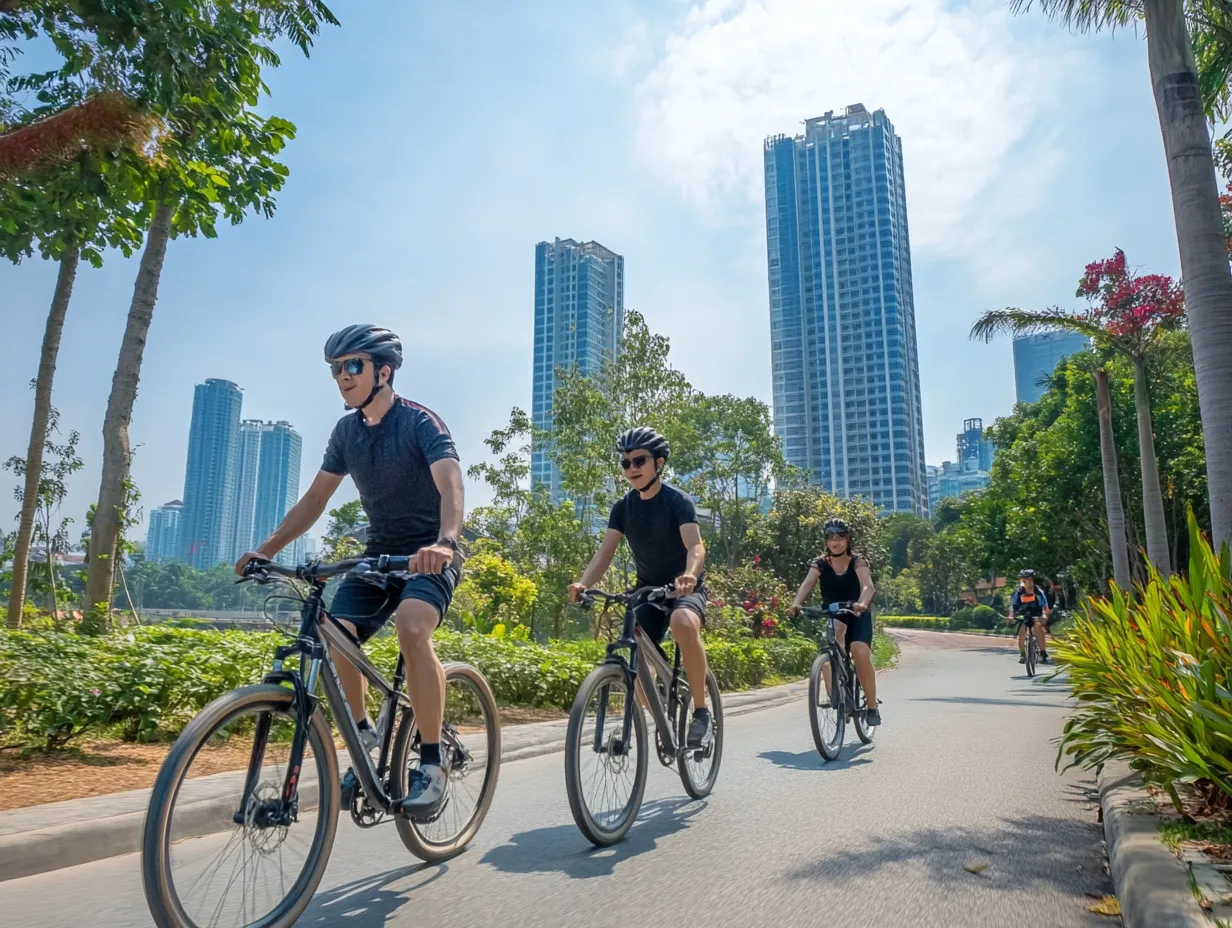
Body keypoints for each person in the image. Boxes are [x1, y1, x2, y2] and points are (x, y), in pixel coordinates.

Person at [235, 324, 462, 819]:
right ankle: (363, 733)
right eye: (336, 369)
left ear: (384, 370)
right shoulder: (346, 433)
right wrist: (267, 549)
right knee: (333, 634)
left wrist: (444, 542)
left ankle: (431, 763)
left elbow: (450, 484)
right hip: (377, 555)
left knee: (412, 626)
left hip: (427, 555)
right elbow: (316, 498)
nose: (342, 377)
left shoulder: (421, 422)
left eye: (352, 366)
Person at [567, 427, 714, 748]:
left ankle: (702, 712)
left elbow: (696, 547)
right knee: (632, 652)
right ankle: (661, 717)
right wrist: (583, 582)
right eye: (626, 463)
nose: (631, 468)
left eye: (639, 461)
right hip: (647, 589)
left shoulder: (678, 502)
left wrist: (689, 575)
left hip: (684, 589)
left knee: (683, 622)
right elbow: (604, 554)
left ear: (658, 463)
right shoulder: (623, 508)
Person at [787, 519, 881, 726]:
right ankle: (837, 699)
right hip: (834, 613)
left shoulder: (858, 561)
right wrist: (796, 604)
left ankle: (872, 707)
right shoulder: (820, 563)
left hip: (857, 613)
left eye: (839, 537)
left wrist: (862, 604)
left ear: (848, 539)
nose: (835, 542)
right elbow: (807, 584)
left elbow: (868, 587)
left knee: (859, 651)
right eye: (831, 537)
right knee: (829, 656)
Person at [1009, 569, 1050, 664]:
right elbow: (1013, 605)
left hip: (1036, 613)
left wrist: (1044, 614)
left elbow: (1044, 605)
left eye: (1030, 579)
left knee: (1038, 629)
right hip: (1023, 614)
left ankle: (1042, 653)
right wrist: (1011, 615)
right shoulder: (1019, 592)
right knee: (1021, 633)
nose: (1028, 581)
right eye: (1025, 580)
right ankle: (1023, 654)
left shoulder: (1038, 591)